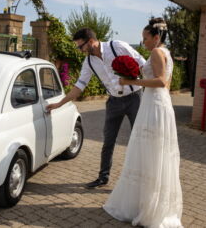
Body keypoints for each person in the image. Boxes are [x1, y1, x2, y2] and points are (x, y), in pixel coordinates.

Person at [103, 18, 183, 227]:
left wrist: (131, 81)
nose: (143, 42)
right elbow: (168, 82)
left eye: (145, 38)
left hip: (155, 104)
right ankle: (148, 203)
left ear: (156, 37)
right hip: (159, 102)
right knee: (154, 153)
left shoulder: (157, 52)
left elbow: (161, 81)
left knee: (149, 151)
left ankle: (148, 207)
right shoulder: (166, 53)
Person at [46, 28, 146, 188]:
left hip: (135, 98)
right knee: (108, 141)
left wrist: (147, 84)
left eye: (81, 46)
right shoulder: (89, 62)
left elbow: (143, 65)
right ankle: (103, 177)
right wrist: (59, 104)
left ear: (91, 41)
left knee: (139, 140)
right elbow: (79, 86)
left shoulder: (117, 46)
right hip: (114, 102)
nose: (80, 50)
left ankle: (141, 180)